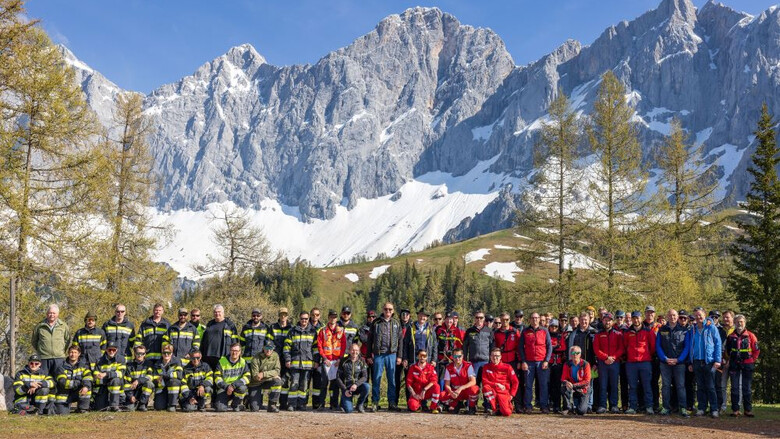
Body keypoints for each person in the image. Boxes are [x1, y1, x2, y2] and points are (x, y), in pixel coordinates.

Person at [367, 302, 403, 412]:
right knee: (376, 379)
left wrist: (399, 356)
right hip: (378, 354)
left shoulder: (396, 323)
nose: (388, 311)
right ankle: (375, 402)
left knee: (392, 380)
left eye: (390, 309)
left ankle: (391, 403)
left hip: (392, 354)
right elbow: (370, 340)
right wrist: (369, 355)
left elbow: (400, 341)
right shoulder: (376, 323)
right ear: (383, 310)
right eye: (386, 309)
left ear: (393, 311)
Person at [656, 309, 691, 417]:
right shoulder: (662, 330)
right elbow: (658, 346)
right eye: (670, 315)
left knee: (680, 386)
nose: (672, 317)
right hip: (665, 363)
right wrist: (665, 358)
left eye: (674, 315)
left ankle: (683, 408)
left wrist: (679, 360)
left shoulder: (684, 331)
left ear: (677, 316)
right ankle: (666, 408)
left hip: (679, 363)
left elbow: (687, 347)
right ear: (667, 316)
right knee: (665, 386)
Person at [689, 307, 721, 417]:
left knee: (711, 387)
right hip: (697, 361)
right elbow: (690, 346)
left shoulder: (711, 327)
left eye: (700, 315)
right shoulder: (692, 329)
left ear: (704, 315)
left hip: (709, 361)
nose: (698, 317)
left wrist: (717, 360)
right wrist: (691, 362)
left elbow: (718, 344)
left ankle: (714, 409)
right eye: (696, 315)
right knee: (700, 386)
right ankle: (702, 408)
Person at [284, 311, 319, 411]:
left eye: (306, 319)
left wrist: (316, 361)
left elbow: (316, 349)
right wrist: (287, 359)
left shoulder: (313, 332)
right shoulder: (292, 331)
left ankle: (302, 404)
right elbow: (286, 348)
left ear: (309, 319)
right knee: (294, 384)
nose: (304, 320)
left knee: (304, 386)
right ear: (299, 319)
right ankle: (291, 404)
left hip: (308, 364)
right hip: (294, 363)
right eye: (302, 318)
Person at [726, 314, 759, 417]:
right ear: (734, 323)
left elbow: (756, 350)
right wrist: (729, 359)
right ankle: (735, 410)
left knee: (747, 388)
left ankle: (748, 410)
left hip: (747, 364)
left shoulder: (751, 335)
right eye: (737, 322)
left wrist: (752, 359)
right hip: (734, 364)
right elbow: (727, 350)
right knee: (734, 388)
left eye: (741, 322)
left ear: (745, 323)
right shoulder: (730, 336)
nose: (739, 324)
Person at [623, 311, 655, 415]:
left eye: (637, 318)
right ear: (631, 319)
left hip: (645, 362)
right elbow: (625, 346)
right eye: (634, 318)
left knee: (647, 385)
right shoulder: (627, 332)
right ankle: (633, 407)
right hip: (631, 363)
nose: (636, 320)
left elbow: (652, 346)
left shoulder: (648, 331)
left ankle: (649, 407)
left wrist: (646, 355)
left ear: (641, 318)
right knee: (632, 386)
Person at [519, 312, 552, 414]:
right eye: (533, 318)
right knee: (528, 385)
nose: (535, 320)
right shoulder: (525, 331)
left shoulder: (545, 331)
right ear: (529, 319)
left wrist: (546, 360)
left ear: (539, 319)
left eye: (537, 318)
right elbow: (520, 347)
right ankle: (528, 406)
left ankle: (544, 406)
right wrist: (523, 361)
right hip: (529, 362)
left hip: (542, 362)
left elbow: (549, 346)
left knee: (543, 385)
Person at [316, 309, 346, 410]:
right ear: (328, 318)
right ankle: (322, 403)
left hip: (336, 361)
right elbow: (319, 345)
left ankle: (334, 404)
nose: (333, 319)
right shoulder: (323, 331)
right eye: (331, 317)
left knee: (335, 384)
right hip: (327, 361)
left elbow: (343, 346)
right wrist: (324, 358)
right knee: (324, 383)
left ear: (337, 318)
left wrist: (340, 359)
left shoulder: (341, 331)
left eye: (335, 317)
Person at [594, 312, 623, 414]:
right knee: (603, 385)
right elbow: (596, 349)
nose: (607, 322)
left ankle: (614, 405)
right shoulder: (598, 334)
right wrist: (606, 357)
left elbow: (621, 348)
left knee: (614, 385)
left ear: (612, 321)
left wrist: (613, 357)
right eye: (605, 320)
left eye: (609, 320)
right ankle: (602, 405)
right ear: (602, 321)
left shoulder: (618, 334)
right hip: (603, 363)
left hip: (615, 362)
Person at [493, 312, 522, 412]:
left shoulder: (514, 331)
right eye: (503, 320)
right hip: (502, 361)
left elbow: (519, 347)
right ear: (500, 320)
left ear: (509, 320)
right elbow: (495, 348)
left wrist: (519, 361)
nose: (504, 322)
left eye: (506, 320)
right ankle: (501, 403)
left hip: (513, 360)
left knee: (515, 382)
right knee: (502, 382)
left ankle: (517, 404)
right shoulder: (496, 333)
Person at [31, 304, 70, 376]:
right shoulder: (40, 326)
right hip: (44, 358)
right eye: (50, 313)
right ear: (47, 314)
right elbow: (34, 340)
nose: (52, 315)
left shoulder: (63, 326)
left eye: (54, 313)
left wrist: (60, 351)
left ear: (58, 314)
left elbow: (67, 340)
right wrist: (41, 350)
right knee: (43, 379)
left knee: (60, 379)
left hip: (59, 358)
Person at [567, 312, 595, 411]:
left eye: (585, 320)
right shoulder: (574, 333)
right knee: (576, 383)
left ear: (589, 320)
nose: (584, 322)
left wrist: (595, 363)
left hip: (590, 363)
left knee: (589, 385)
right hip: (576, 364)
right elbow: (570, 348)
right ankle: (576, 405)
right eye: (582, 320)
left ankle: (589, 405)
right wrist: (570, 362)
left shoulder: (593, 332)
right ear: (579, 320)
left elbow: (596, 349)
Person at [53, 345, 93, 414]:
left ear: (79, 354)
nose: (73, 354)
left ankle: (82, 409)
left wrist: (86, 386)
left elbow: (88, 378)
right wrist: (79, 382)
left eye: (75, 352)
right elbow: (63, 383)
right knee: (62, 413)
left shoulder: (84, 365)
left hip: (78, 392)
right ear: (68, 353)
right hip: (64, 393)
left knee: (87, 388)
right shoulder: (61, 367)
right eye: (71, 352)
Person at [481, 348, 519, 416]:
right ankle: (494, 408)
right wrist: (496, 384)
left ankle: (504, 406)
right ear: (490, 356)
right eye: (493, 355)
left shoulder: (507, 367)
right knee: (486, 388)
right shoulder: (486, 367)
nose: (495, 358)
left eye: (497, 356)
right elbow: (484, 381)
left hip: (503, 392)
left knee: (507, 413)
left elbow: (515, 382)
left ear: (501, 357)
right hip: (493, 391)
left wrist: (511, 395)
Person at [199, 304, 239, 370]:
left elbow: (235, 343)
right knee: (209, 377)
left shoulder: (229, 325)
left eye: (219, 312)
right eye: (215, 312)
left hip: (222, 356)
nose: (217, 313)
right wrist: (201, 352)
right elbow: (203, 340)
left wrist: (234, 355)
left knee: (219, 377)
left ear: (223, 313)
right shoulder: (209, 324)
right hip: (207, 356)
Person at [442, 348, 480, 414]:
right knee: (442, 395)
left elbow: (473, 381)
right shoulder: (449, 367)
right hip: (455, 392)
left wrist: (461, 388)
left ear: (462, 356)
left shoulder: (468, 365)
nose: (457, 358)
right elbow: (447, 384)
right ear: (452, 357)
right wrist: (451, 392)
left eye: (459, 356)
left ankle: (472, 407)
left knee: (474, 389)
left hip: (466, 391)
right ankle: (456, 405)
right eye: (455, 356)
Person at [213, 342, 250, 412]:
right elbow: (217, 378)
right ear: (230, 351)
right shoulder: (222, 361)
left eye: (236, 351)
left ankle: (236, 405)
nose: (234, 353)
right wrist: (227, 387)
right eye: (232, 350)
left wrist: (233, 385)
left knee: (243, 388)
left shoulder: (243, 362)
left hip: (237, 388)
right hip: (224, 388)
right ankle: (225, 403)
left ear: (240, 352)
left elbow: (247, 377)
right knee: (220, 409)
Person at [248, 343, 283, 413]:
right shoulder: (256, 358)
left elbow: (277, 370)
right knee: (254, 409)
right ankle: (248, 401)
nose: (268, 351)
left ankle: (272, 405)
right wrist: (271, 375)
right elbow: (256, 376)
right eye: (267, 348)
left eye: (271, 349)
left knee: (278, 382)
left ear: (273, 349)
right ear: (263, 348)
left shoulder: (275, 355)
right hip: (256, 383)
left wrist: (264, 374)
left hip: (267, 381)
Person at [93, 342, 126, 411]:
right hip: (103, 385)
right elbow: (96, 375)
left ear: (116, 350)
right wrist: (99, 376)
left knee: (116, 380)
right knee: (100, 408)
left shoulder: (121, 359)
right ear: (106, 350)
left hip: (115, 385)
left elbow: (120, 374)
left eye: (113, 350)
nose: (111, 351)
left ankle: (114, 405)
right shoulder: (99, 360)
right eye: (109, 350)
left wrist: (106, 374)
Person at [150, 343, 183, 412]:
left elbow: (179, 374)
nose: (166, 354)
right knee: (158, 407)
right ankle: (165, 401)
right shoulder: (157, 364)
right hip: (162, 387)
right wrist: (156, 380)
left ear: (171, 353)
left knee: (173, 382)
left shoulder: (177, 362)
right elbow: (154, 377)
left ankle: (172, 405)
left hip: (172, 385)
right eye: (164, 352)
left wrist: (164, 376)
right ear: (162, 353)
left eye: (168, 352)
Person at [338, 343, 370, 414]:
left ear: (359, 351)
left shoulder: (362, 361)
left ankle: (359, 405)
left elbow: (365, 376)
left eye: (356, 350)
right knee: (349, 411)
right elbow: (338, 377)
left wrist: (356, 384)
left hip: (357, 386)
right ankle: (343, 401)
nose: (354, 352)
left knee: (367, 386)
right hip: (347, 388)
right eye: (352, 350)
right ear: (349, 351)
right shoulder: (343, 361)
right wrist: (344, 389)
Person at [270, 307, 292, 409]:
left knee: (285, 381)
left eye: (285, 315)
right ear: (278, 315)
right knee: (275, 380)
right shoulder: (273, 327)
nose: (283, 316)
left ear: (287, 316)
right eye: (281, 314)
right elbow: (268, 342)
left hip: (286, 359)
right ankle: (273, 402)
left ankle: (283, 403)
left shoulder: (291, 328)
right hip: (275, 358)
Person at [435, 313, 464, 390]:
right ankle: (441, 396)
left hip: (452, 359)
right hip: (441, 358)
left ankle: (451, 398)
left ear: (453, 320)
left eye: (450, 319)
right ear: (444, 320)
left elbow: (459, 346)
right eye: (447, 319)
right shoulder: (439, 330)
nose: (449, 321)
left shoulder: (457, 331)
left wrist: (458, 357)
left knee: (452, 378)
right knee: (441, 378)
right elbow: (434, 344)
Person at [561, 346, 591, 416]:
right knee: (563, 388)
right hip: (571, 387)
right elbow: (563, 378)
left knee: (581, 411)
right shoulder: (567, 364)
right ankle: (568, 408)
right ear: (570, 354)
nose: (575, 355)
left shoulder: (585, 364)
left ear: (580, 354)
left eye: (577, 353)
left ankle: (577, 406)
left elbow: (587, 381)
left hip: (583, 389)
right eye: (573, 353)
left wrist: (574, 385)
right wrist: (566, 382)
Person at [642, 305, 661, 412]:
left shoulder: (660, 326)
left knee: (654, 382)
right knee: (643, 382)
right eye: (648, 312)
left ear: (654, 314)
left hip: (655, 358)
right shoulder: (641, 325)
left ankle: (656, 405)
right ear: (645, 313)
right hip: (643, 358)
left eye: (652, 312)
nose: (650, 314)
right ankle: (643, 404)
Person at [124, 345, 154, 411]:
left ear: (145, 354)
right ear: (134, 353)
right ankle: (133, 403)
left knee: (149, 384)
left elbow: (149, 377)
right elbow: (126, 383)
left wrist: (138, 381)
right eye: (138, 353)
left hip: (143, 391)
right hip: (133, 391)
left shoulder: (149, 364)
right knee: (130, 409)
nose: (140, 355)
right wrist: (130, 396)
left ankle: (142, 404)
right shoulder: (129, 366)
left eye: (142, 354)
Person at [463, 311, 491, 375]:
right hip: (474, 361)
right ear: (474, 319)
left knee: (485, 381)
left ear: (484, 319)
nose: (479, 319)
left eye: (481, 318)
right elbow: (465, 346)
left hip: (486, 361)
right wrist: (464, 359)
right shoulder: (469, 331)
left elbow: (492, 346)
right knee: (474, 381)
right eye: (477, 317)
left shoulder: (489, 331)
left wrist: (491, 360)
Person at [548, 319, 567, 413]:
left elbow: (563, 347)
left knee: (557, 385)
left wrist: (552, 348)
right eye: (552, 326)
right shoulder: (547, 335)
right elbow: (545, 347)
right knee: (548, 384)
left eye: (555, 327)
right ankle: (548, 404)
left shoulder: (560, 336)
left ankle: (557, 405)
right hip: (549, 363)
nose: (554, 328)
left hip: (558, 363)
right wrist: (555, 348)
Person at [395, 308, 413, 404]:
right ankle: (394, 401)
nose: (405, 316)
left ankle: (409, 402)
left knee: (408, 381)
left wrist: (405, 358)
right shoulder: (396, 325)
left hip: (408, 358)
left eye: (407, 314)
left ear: (409, 316)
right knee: (396, 380)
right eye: (403, 314)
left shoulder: (412, 326)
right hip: (397, 356)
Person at [719, 310, 735, 412]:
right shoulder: (719, 330)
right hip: (721, 362)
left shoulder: (737, 330)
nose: (725, 319)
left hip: (734, 363)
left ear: (732, 318)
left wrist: (730, 360)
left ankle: (736, 407)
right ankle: (722, 406)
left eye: (727, 317)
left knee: (736, 386)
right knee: (722, 386)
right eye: (724, 317)